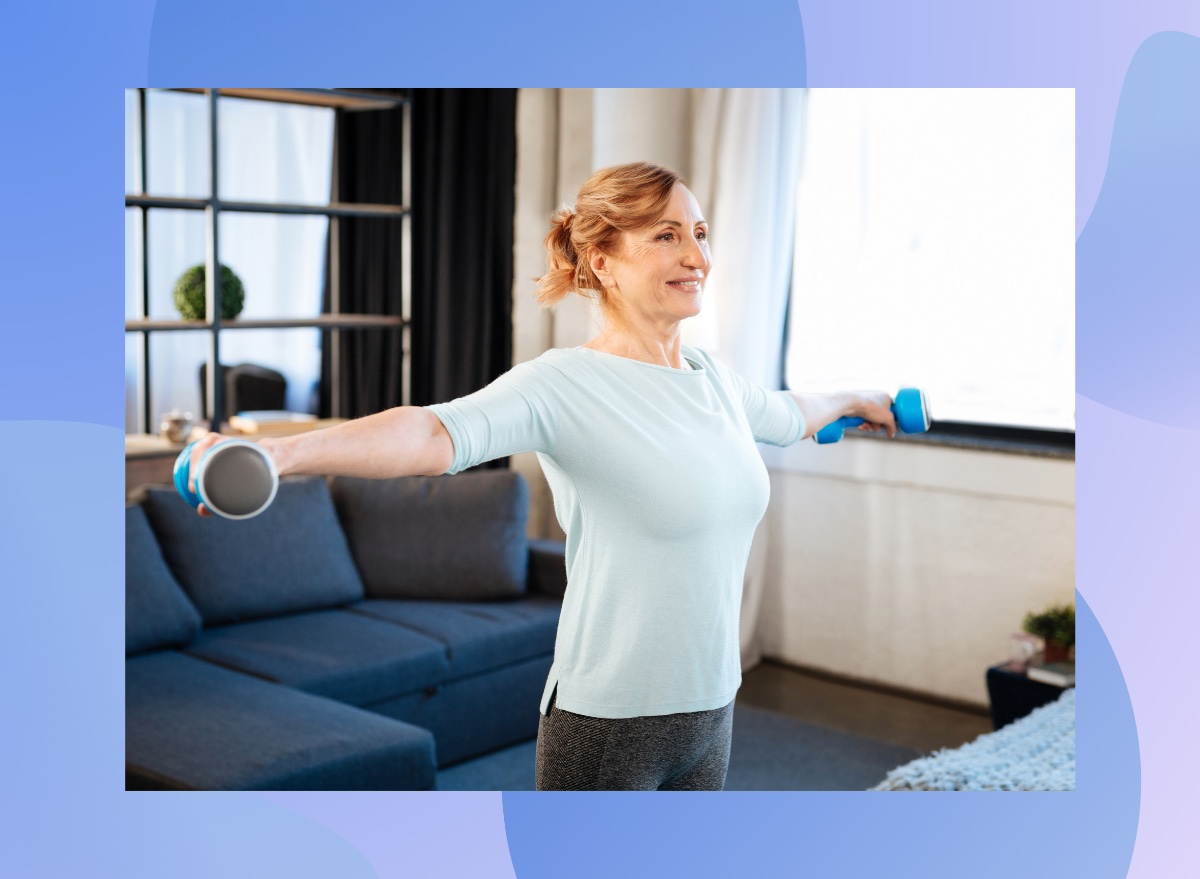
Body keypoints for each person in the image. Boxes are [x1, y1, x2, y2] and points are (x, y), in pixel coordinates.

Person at [184, 161, 898, 791]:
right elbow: (433, 432)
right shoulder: (565, 384)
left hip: (711, 706)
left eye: (701, 233)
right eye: (666, 235)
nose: (696, 255)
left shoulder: (713, 380)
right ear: (603, 259)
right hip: (608, 720)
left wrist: (857, 399)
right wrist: (281, 455)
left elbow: (790, 411)